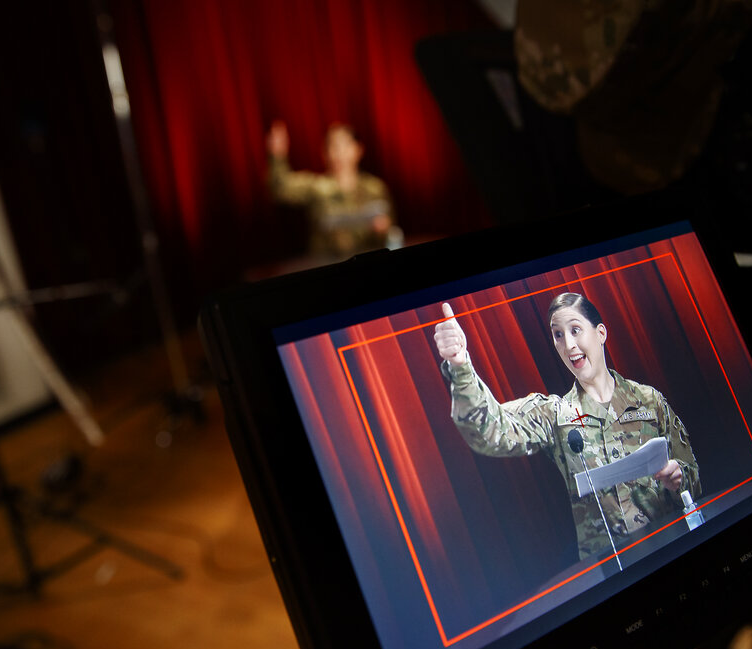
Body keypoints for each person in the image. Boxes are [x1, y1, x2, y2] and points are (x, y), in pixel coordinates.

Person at [433, 292, 701, 562]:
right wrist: (460, 364)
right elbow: (490, 431)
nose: (568, 344)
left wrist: (679, 478)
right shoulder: (555, 414)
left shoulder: (649, 400)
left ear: (600, 333)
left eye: (575, 330)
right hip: (614, 575)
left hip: (673, 552)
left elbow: (693, 477)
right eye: (558, 335)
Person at [265, 120, 402, 259]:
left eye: (345, 144)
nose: (339, 152)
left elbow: (393, 232)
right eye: (333, 146)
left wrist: (384, 229)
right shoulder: (317, 187)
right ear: (324, 153)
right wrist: (277, 156)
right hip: (330, 268)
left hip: (371, 266)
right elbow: (281, 188)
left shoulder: (375, 188)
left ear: (359, 149)